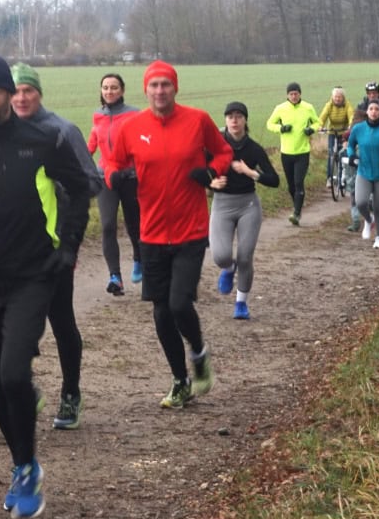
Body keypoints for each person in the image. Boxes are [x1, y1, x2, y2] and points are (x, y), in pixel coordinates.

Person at [0, 55, 91, 519]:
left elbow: (80, 190)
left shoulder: (43, 141)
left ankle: (26, 466)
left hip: (32, 275)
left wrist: (67, 246)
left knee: (12, 372)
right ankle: (23, 465)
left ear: (8, 93)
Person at [102, 60, 232, 409]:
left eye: (165, 84)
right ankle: (180, 380)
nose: (160, 91)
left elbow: (223, 152)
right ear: (145, 90)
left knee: (178, 303)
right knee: (161, 313)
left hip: (191, 230)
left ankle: (199, 352)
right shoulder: (132, 127)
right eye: (154, 85)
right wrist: (113, 177)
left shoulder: (197, 120)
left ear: (175, 88)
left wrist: (210, 172)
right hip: (152, 232)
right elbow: (112, 162)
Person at [9, 62, 100, 430]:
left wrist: (58, 188)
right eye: (15, 91)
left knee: (60, 320)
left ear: (39, 93)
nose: (21, 97)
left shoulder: (62, 130)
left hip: (55, 243)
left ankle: (71, 393)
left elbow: (91, 182)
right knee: (12, 322)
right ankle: (24, 386)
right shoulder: (1, 134)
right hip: (13, 247)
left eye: (28, 90)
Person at [210, 101, 280, 320]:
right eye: (230, 116)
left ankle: (241, 302)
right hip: (222, 204)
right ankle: (228, 268)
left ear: (245, 120)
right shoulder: (215, 145)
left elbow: (274, 180)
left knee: (245, 256)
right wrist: (211, 183)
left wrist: (251, 172)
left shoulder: (254, 148)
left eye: (239, 116)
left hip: (248, 205)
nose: (234, 120)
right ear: (225, 120)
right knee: (221, 256)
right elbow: (200, 170)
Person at [87, 73, 141, 296]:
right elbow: (91, 145)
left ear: (122, 90)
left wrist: (132, 169)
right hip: (105, 177)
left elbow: (141, 146)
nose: (109, 91)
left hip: (130, 177)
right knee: (108, 225)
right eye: (106, 87)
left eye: (114, 87)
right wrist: (79, 166)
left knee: (133, 224)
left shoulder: (134, 114)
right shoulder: (98, 116)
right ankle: (115, 277)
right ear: (101, 91)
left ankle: (139, 258)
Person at [346, 99, 379, 250]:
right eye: (371, 109)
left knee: (378, 206)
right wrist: (351, 155)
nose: (374, 112)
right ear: (367, 111)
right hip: (363, 172)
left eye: (376, 109)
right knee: (361, 202)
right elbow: (350, 145)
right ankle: (369, 220)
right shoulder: (358, 129)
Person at [266, 81, 319, 225]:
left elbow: (317, 122)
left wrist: (311, 129)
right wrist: (281, 128)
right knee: (291, 185)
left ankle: (296, 213)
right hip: (286, 153)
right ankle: (297, 207)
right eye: (291, 94)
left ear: (300, 94)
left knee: (298, 182)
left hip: (303, 152)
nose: (294, 96)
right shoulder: (280, 108)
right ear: (287, 95)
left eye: (296, 94)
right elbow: (270, 124)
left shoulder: (308, 107)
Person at [317, 86, 354, 188]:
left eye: (339, 97)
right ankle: (329, 178)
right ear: (332, 97)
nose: (337, 99)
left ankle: (343, 178)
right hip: (332, 132)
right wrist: (320, 126)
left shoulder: (347, 105)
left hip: (344, 132)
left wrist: (351, 125)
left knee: (343, 155)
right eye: (335, 97)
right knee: (331, 155)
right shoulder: (329, 105)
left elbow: (351, 116)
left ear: (343, 97)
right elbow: (322, 117)